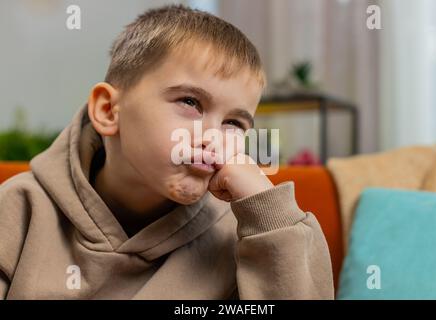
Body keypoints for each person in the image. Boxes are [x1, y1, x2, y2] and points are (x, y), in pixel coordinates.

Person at [0, 5, 333, 299]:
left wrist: (269, 215)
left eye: (233, 123)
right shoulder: (18, 208)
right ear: (108, 111)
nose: (213, 138)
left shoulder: (243, 234)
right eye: (190, 102)